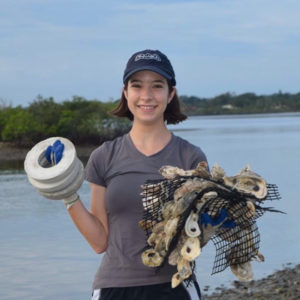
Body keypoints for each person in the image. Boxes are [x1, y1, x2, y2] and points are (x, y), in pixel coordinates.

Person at [66, 49, 208, 300]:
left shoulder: (191, 158)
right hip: (113, 286)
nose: (146, 96)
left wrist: (212, 221)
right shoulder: (104, 156)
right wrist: (67, 196)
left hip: (172, 285)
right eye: (137, 86)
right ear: (125, 92)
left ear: (170, 93)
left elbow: (195, 239)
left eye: (156, 86)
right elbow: (99, 242)